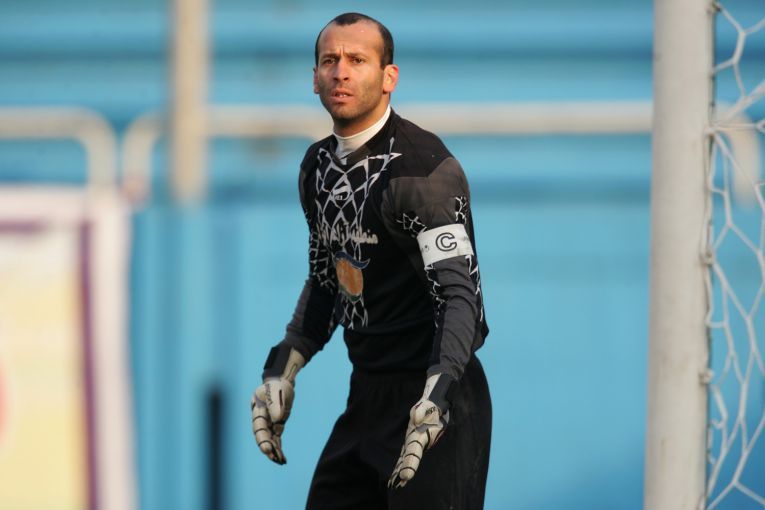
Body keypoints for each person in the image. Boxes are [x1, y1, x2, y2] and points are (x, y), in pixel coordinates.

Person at [251, 12, 492, 510]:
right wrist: (283, 368)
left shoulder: (422, 171)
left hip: (435, 400)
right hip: (366, 394)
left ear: (389, 77)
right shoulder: (316, 167)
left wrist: (437, 395)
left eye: (357, 60)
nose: (341, 71)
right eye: (329, 60)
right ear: (314, 78)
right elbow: (327, 281)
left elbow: (459, 296)